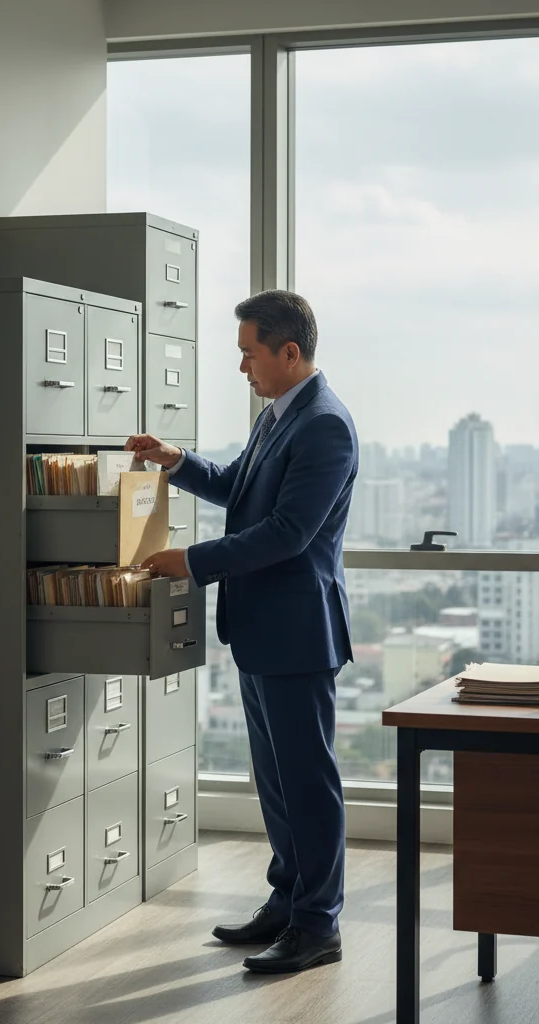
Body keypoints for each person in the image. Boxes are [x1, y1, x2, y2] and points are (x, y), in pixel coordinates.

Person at [125, 289, 358, 975]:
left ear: (290, 353)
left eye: (249, 354)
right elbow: (238, 488)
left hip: (297, 634)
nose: (242, 368)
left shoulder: (325, 426)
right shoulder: (277, 417)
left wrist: (193, 562)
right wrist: (175, 460)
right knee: (277, 783)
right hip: (261, 631)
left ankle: (319, 926)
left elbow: (289, 534)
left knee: (308, 785)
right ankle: (287, 903)